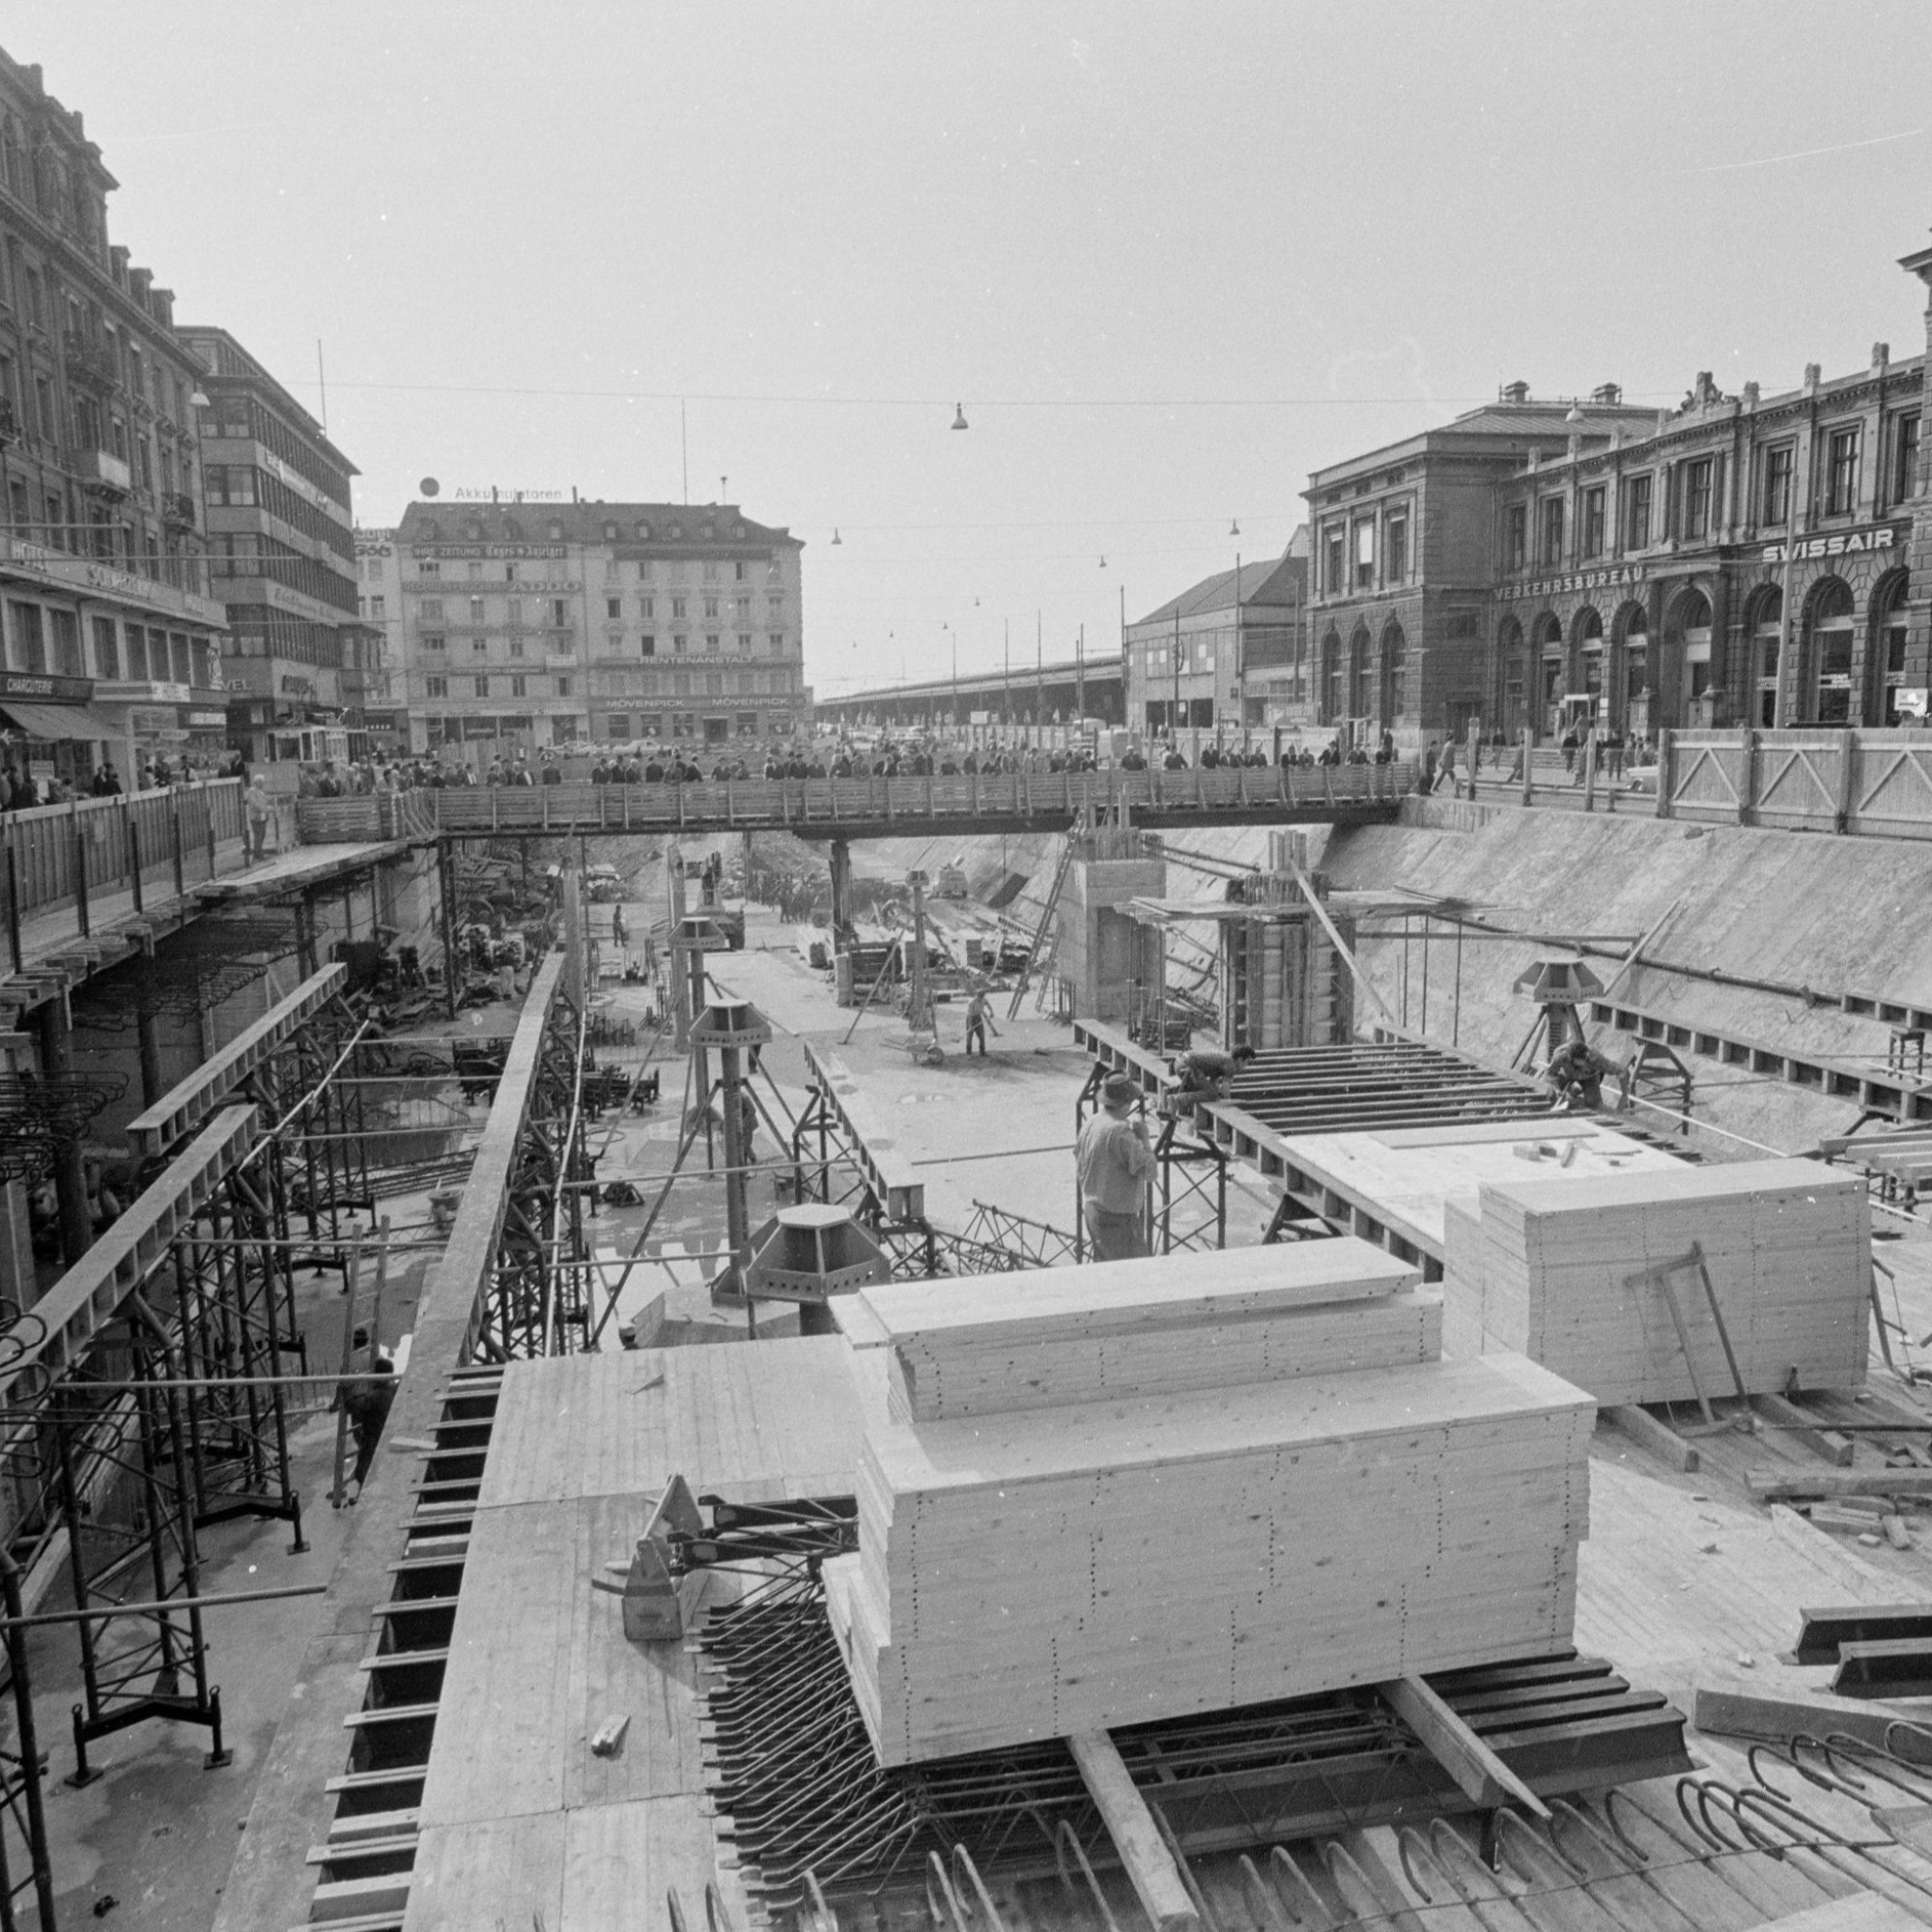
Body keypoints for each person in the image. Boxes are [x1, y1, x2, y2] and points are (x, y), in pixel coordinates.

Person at [1076, 1072, 1154, 1262]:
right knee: (1139, 1276)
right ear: (1127, 1102)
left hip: (1093, 1213)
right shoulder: (1120, 1132)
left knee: (1109, 1274)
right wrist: (1144, 1138)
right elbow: (1150, 1172)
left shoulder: (1091, 1122)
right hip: (1116, 1222)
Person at [337, 1356, 397, 1502]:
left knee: (360, 1472)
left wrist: (346, 1391)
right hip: (388, 1434)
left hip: (373, 1438)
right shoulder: (394, 1390)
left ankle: (352, 1499)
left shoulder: (375, 1396)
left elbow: (353, 1406)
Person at [1545, 1037, 1621, 1112]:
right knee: (1552, 1095)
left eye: (1583, 1060)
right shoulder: (1560, 1055)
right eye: (1578, 1061)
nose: (1581, 1063)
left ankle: (1576, 1093)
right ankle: (1572, 1093)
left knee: (1592, 1103)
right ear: (1571, 1058)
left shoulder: (1595, 1057)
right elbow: (1550, 1074)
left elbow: (1609, 1066)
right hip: (1568, 1075)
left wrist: (1621, 1071)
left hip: (1589, 1078)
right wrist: (1557, 1089)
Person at [1170, 1043, 1256, 1103]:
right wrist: (1229, 1103)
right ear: (1240, 1059)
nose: (1246, 1066)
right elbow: (1225, 1091)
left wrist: (1218, 1093)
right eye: (1247, 1062)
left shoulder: (1225, 1056)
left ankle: (1171, 1095)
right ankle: (1177, 1100)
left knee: (1206, 1091)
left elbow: (1213, 1081)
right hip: (1187, 1067)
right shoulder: (1231, 1065)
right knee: (1211, 1094)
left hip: (1178, 1062)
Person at [244, 773, 273, 861]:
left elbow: (263, 801)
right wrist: (265, 809)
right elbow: (255, 804)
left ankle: (259, 852)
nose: (262, 784)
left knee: (262, 834)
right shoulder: (252, 791)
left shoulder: (261, 791)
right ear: (256, 782)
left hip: (263, 816)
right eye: (261, 782)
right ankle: (257, 854)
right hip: (256, 816)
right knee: (258, 835)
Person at [963, 986, 997, 1058]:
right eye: (979, 996)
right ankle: (968, 1053)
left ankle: (982, 1052)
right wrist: (970, 1025)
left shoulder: (984, 1000)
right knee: (969, 1036)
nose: (980, 998)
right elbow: (970, 1014)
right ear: (977, 995)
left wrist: (991, 1012)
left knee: (982, 1036)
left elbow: (988, 1004)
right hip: (971, 1018)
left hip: (978, 1017)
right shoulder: (972, 1002)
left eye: (981, 997)